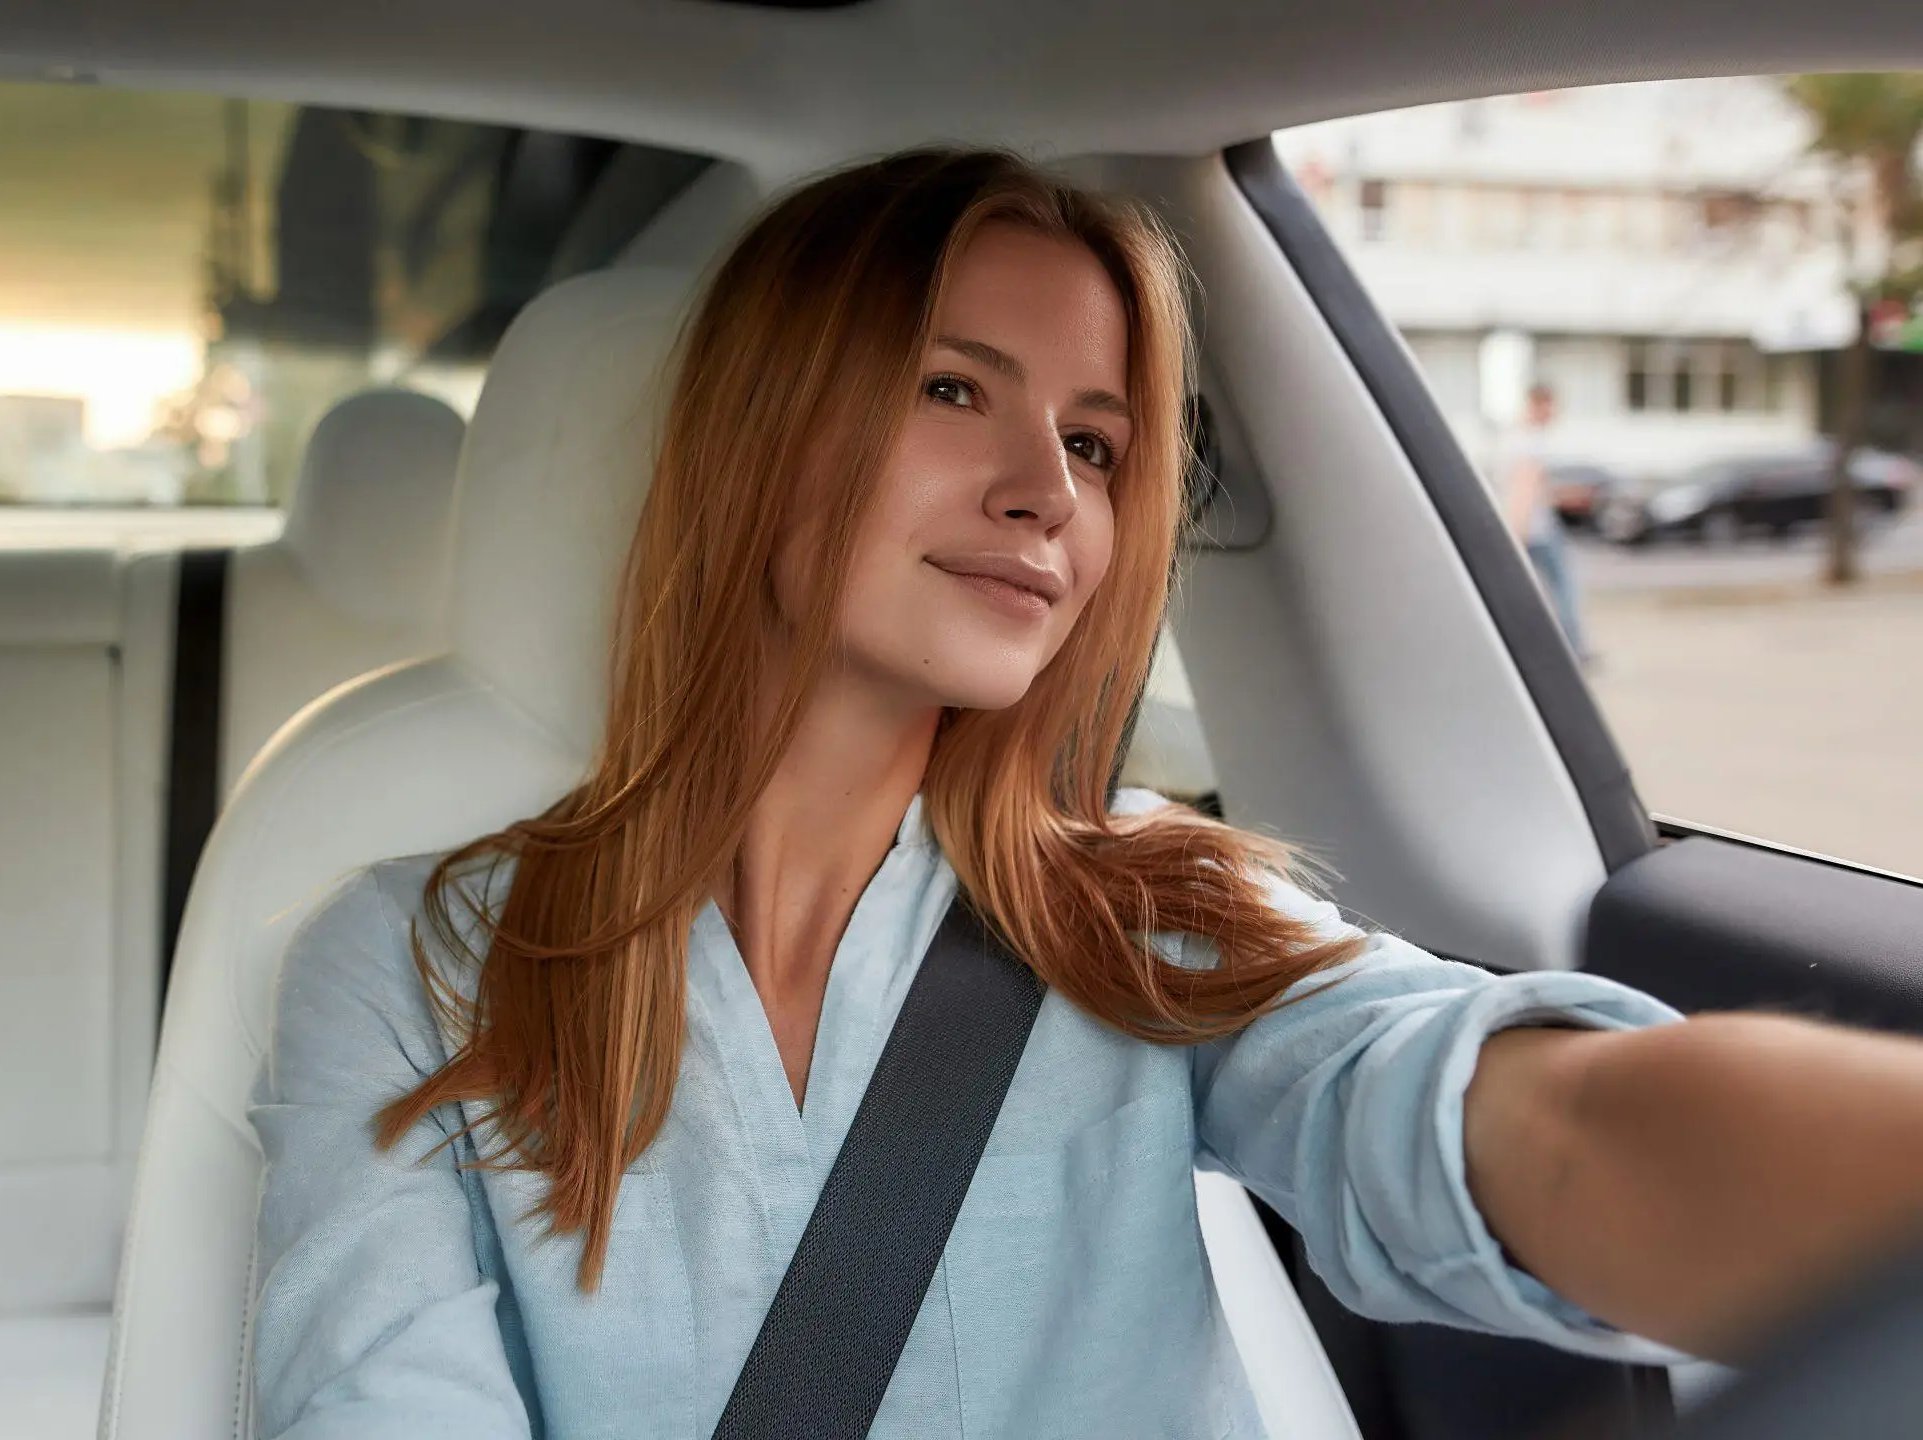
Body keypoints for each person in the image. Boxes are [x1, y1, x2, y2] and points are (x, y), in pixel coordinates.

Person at [249, 150, 1923, 1438]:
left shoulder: (1151, 907)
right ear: (760, 432)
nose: (1045, 491)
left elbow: (1528, 1130)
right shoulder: (410, 964)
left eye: (1103, 443)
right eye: (953, 388)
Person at [1496, 382, 1592, 663]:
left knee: (1528, 588)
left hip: (1527, 526)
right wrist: (1519, 531)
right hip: (1534, 530)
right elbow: (1525, 488)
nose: (1554, 414)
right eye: (1551, 407)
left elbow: (1531, 488)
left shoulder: (1511, 438)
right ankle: (1572, 648)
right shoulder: (1529, 441)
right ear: (1539, 405)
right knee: (1563, 587)